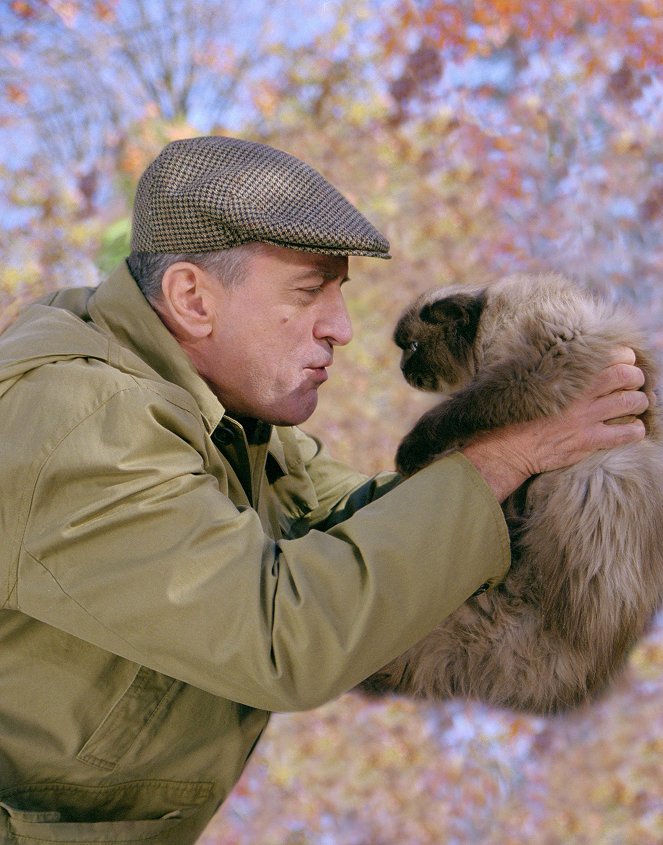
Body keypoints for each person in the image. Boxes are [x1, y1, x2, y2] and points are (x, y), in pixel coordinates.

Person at [0, 135, 647, 844]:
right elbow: (284, 634)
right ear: (192, 297)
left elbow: (355, 527)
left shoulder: (233, 420)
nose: (340, 328)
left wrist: (562, 474)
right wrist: (504, 456)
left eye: (339, 293)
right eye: (309, 292)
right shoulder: (83, 421)